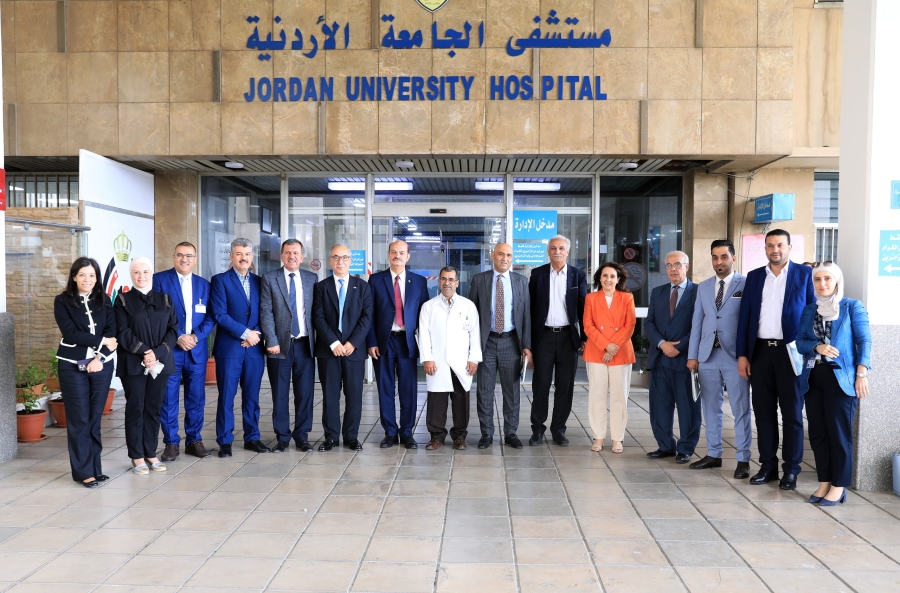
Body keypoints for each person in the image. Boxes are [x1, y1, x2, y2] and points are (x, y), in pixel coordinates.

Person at [736, 229, 815, 490]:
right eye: (770, 245)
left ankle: (791, 469)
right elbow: (745, 318)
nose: (775, 250)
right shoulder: (755, 276)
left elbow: (813, 315)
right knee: (763, 413)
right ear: (765, 249)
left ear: (790, 247)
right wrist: (742, 355)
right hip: (759, 353)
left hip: (791, 353)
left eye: (780, 245)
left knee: (792, 413)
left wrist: (809, 350)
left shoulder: (804, 275)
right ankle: (768, 466)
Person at [796, 262, 870, 505]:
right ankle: (824, 482)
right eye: (817, 279)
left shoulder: (851, 307)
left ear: (837, 281)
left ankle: (839, 486)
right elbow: (800, 341)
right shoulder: (810, 309)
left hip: (842, 379)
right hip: (814, 377)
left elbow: (864, 341)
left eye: (828, 278)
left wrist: (861, 373)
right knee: (818, 433)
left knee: (839, 434)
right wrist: (816, 346)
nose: (822, 284)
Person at [687, 240, 752, 478]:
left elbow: (749, 322)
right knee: (710, 408)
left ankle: (743, 458)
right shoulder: (704, 287)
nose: (719, 262)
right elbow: (697, 322)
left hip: (735, 356)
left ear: (733, 258)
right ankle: (713, 453)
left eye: (724, 257)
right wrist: (693, 355)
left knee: (740, 408)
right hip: (707, 356)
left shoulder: (746, 284)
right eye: (715, 257)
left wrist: (746, 355)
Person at [54, 257, 117, 488]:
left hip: (102, 365)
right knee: (79, 419)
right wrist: (101, 342)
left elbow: (112, 332)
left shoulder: (104, 300)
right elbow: (70, 333)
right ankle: (83, 472)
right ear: (74, 277)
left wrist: (99, 358)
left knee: (94, 419)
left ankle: (95, 469)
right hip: (72, 365)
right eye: (82, 275)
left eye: (92, 275)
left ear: (97, 278)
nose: (87, 279)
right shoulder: (62, 301)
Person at [153, 242, 215, 462]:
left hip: (196, 350)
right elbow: (156, 314)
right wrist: (179, 335)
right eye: (180, 255)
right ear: (173, 256)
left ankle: (194, 440)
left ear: (195, 259)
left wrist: (195, 337)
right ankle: (171, 443)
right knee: (168, 398)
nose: (184, 259)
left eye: (189, 255)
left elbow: (211, 317)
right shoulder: (160, 280)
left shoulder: (204, 284)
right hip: (171, 349)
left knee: (196, 399)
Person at [115, 257, 178, 475]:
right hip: (133, 363)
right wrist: (144, 351)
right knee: (136, 408)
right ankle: (137, 456)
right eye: (136, 272)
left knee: (153, 408)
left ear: (151, 273)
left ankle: (151, 453)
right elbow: (122, 331)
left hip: (160, 362)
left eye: (145, 271)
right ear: (131, 274)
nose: (141, 276)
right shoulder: (122, 300)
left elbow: (173, 329)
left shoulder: (166, 299)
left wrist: (156, 353)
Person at [366, 240, 428, 450]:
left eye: (402, 252)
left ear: (408, 256)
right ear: (388, 254)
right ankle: (390, 432)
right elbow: (369, 314)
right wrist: (371, 341)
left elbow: (424, 316)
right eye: (393, 252)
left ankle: (407, 432)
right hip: (383, 341)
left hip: (407, 341)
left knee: (408, 388)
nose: (397, 256)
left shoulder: (419, 282)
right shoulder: (375, 280)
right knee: (385, 387)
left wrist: (426, 347)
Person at [469, 243, 531, 449]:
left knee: (511, 391)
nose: (505, 258)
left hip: (511, 342)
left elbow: (526, 316)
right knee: (484, 390)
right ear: (492, 255)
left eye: (509, 255)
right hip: (486, 342)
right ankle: (486, 434)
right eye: (501, 254)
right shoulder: (479, 280)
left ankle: (511, 433)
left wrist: (526, 346)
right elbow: (471, 315)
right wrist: (472, 347)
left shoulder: (521, 281)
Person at [210, 238, 268, 457]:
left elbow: (266, 312)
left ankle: (252, 438)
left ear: (252, 257)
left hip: (254, 350)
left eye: (247, 254)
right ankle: (225, 441)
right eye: (239, 254)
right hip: (229, 350)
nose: (244, 258)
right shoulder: (220, 280)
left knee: (252, 397)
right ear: (232, 256)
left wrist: (256, 334)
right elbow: (219, 314)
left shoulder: (260, 281)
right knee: (226, 396)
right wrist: (246, 333)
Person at [528, 235, 587, 446]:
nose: (557, 251)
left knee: (565, 386)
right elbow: (530, 308)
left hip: (567, 338)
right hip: (543, 337)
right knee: (541, 385)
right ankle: (537, 429)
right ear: (548, 251)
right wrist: (528, 342)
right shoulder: (537, 274)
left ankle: (558, 430)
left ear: (568, 251)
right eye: (553, 248)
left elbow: (583, 308)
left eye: (561, 248)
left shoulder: (578, 275)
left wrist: (584, 337)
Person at [313, 245, 373, 451]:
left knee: (354, 396)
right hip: (328, 350)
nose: (340, 261)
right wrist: (334, 343)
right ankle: (331, 437)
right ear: (330, 260)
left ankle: (351, 437)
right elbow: (318, 317)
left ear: (351, 261)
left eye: (345, 257)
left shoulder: (362, 287)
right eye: (336, 257)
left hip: (354, 351)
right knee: (330, 396)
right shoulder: (321, 287)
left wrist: (352, 343)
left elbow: (367, 318)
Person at [260, 239, 317, 452]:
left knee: (305, 393)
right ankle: (282, 436)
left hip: (305, 345)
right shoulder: (270, 278)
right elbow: (266, 311)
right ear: (282, 255)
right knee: (280, 393)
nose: (292, 256)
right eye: (287, 252)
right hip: (279, 345)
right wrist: (271, 340)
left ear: (302, 256)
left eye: (295, 252)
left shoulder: (311, 278)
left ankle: (302, 436)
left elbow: (316, 312)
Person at [645, 251, 700, 463]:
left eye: (677, 264)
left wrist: (681, 345)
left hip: (685, 359)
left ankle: (685, 448)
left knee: (688, 407)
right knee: (659, 406)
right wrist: (662, 343)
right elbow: (649, 322)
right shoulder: (657, 292)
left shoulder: (698, 292)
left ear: (687, 266)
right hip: (660, 358)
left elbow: (701, 325)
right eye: (668, 265)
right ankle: (665, 446)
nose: (673, 269)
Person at [419, 266, 481, 450]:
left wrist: (474, 359)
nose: (447, 283)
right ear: (439, 281)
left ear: (457, 282)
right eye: (444, 279)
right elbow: (423, 335)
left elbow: (475, 334)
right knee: (436, 402)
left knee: (461, 402)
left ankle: (459, 437)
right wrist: (427, 358)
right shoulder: (429, 306)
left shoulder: (468, 306)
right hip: (437, 362)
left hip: (461, 363)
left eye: (451, 279)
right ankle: (436, 436)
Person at [582, 262, 635, 454]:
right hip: (597, 351)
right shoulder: (591, 298)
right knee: (597, 396)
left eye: (612, 276)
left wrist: (612, 348)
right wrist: (606, 345)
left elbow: (629, 325)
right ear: (599, 278)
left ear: (618, 279)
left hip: (620, 351)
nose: (608, 279)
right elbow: (588, 325)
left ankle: (617, 438)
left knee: (619, 397)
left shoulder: (627, 297)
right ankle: (598, 436)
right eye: (605, 276)